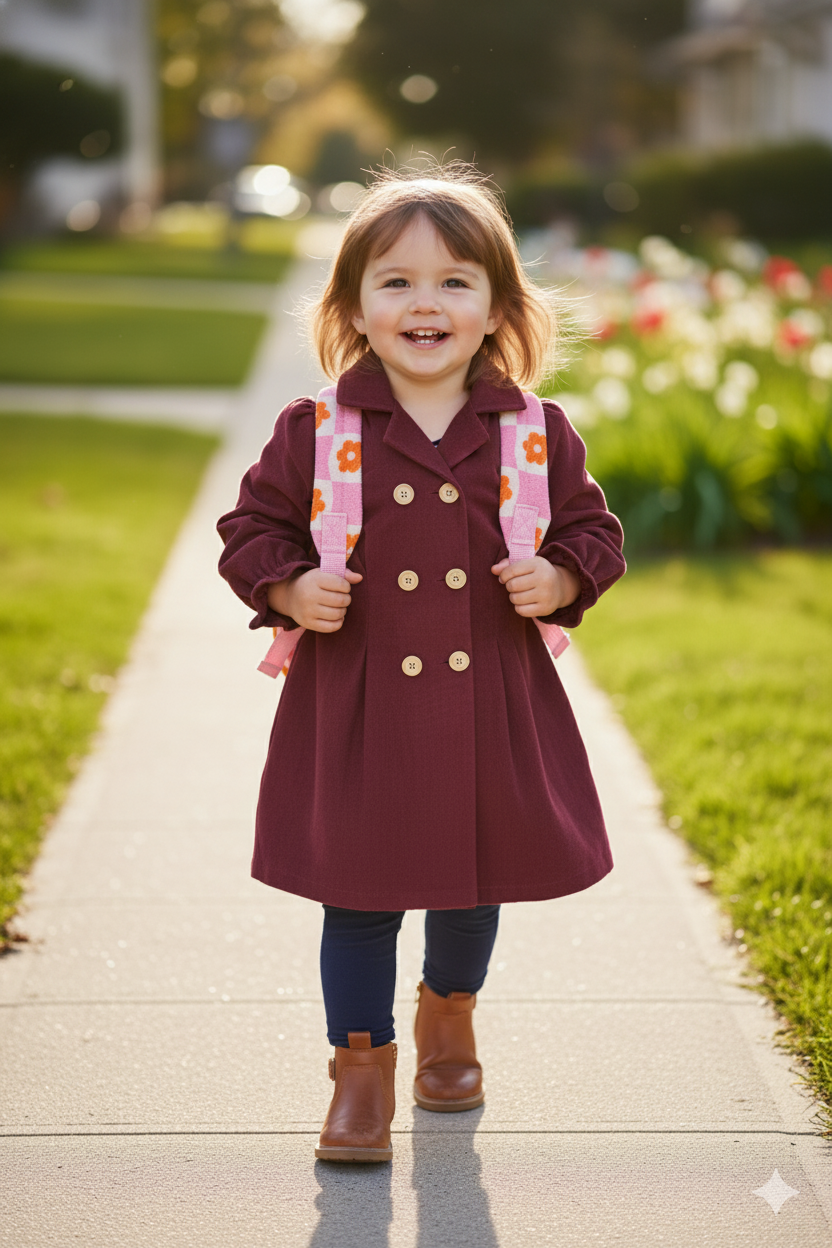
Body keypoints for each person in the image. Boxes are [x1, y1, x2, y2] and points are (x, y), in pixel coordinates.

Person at [217, 163, 625, 1164]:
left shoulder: (533, 433)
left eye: (454, 280)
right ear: (354, 304)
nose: (424, 302)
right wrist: (284, 590)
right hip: (354, 702)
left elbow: (594, 533)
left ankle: (450, 1019)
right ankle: (362, 1073)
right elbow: (250, 529)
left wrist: (560, 579)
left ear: (495, 307)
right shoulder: (318, 432)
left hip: (489, 697)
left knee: (468, 879)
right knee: (356, 895)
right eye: (394, 281)